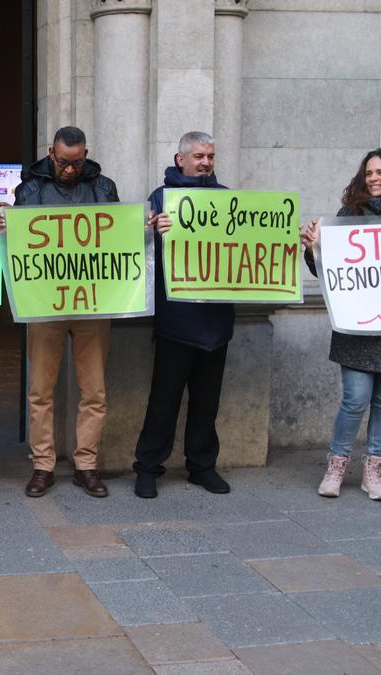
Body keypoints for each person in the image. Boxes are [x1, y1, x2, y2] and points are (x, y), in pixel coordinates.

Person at [301, 148, 381, 501]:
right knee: (355, 399)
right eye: (369, 172)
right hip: (357, 327)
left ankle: (374, 472)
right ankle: (336, 466)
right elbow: (329, 272)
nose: (373, 178)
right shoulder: (348, 215)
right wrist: (313, 249)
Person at [13, 126, 119, 499]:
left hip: (91, 301)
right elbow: (18, 244)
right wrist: (4, 228)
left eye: (77, 163)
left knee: (94, 389)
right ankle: (43, 465)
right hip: (45, 302)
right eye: (63, 163)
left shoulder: (104, 187)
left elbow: (117, 239)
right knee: (40, 389)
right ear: (50, 153)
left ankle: (86, 465)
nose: (71, 170)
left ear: (86, 154)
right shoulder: (29, 190)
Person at [133, 131, 233, 499]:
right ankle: (147, 468)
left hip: (216, 323)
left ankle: (202, 466)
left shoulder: (227, 200)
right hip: (176, 322)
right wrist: (152, 232)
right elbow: (140, 256)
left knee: (207, 402)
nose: (206, 162)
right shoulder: (160, 200)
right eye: (198, 156)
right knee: (164, 400)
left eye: (210, 156)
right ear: (181, 160)